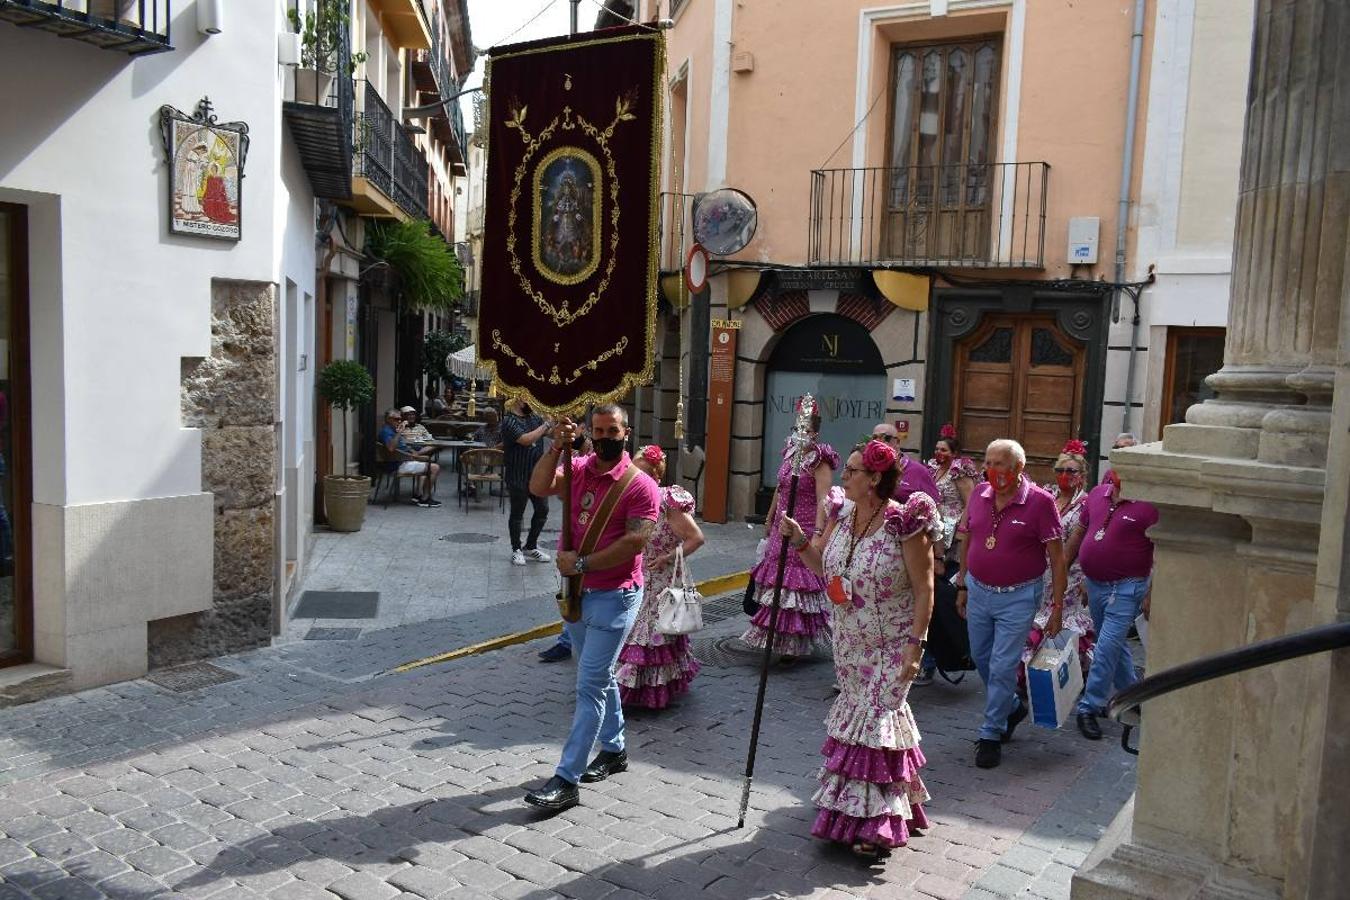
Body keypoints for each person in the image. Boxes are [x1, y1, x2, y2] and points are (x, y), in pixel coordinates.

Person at [779, 440, 938, 859]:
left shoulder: (904, 524)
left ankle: (876, 824)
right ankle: (887, 807)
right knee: (867, 725)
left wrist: (916, 646)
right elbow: (823, 568)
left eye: (852, 471)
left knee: (876, 725)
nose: (843, 477)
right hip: (849, 643)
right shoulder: (843, 515)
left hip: (891, 645)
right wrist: (798, 540)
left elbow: (925, 590)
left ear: (874, 480)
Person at [522, 405, 660, 812]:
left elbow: (636, 542)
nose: (604, 437)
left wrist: (582, 563)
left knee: (589, 685)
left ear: (626, 432)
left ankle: (566, 778)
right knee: (599, 676)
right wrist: (554, 446)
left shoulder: (641, 486)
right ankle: (615, 749)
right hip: (579, 595)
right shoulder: (578, 466)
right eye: (597, 430)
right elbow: (538, 486)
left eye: (611, 430)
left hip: (616, 596)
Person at [954, 439, 1065, 769]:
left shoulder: (1042, 503)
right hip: (978, 590)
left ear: (1018, 467)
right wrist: (962, 585)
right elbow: (968, 538)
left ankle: (991, 733)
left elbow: (1057, 560)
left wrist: (1056, 608)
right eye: (988, 462)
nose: (992, 470)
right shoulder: (978, 494)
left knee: (1002, 665)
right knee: (981, 657)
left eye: (1000, 463)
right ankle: (1012, 705)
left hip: (1018, 596)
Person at [1069, 467, 1158, 740]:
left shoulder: (1149, 507)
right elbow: (1081, 534)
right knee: (1114, 643)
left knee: (1106, 645)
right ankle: (1133, 694)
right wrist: (1073, 573)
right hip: (1096, 583)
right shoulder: (1097, 495)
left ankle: (1090, 705)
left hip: (1128, 586)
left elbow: (1162, 552)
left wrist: (1152, 591)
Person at [742, 412, 837, 661]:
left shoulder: (819, 460)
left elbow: (822, 500)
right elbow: (780, 489)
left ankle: (793, 640)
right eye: (797, 426)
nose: (799, 431)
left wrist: (817, 534)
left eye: (804, 428)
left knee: (795, 584)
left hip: (802, 527)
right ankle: (776, 635)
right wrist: (770, 517)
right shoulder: (790, 452)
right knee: (777, 580)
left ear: (815, 433)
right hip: (780, 526)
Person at [616, 446, 706, 709]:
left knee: (647, 632)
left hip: (662, 579)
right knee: (639, 630)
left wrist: (668, 557)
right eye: (631, 469)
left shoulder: (668, 501)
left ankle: (638, 689)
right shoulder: (631, 498)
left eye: (641, 471)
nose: (633, 475)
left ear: (656, 474)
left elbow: (696, 538)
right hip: (637, 575)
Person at [1019, 440, 1096, 693]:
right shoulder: (1047, 497)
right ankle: (1031, 674)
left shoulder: (1087, 505)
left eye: (1071, 471)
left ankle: (1066, 674)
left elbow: (1084, 542)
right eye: (1060, 470)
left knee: (1061, 620)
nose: (1064, 476)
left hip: (1071, 574)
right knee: (1035, 616)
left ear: (1082, 475)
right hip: (1040, 570)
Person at [915, 423, 978, 684]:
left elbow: (971, 501)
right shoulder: (933, 470)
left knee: (944, 598)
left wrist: (963, 531)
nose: (939, 452)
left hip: (953, 541)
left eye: (944, 449)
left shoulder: (959, 472)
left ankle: (949, 652)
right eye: (937, 448)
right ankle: (927, 658)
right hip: (934, 535)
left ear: (954, 452)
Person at [539, 432, 595, 663]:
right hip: (571, 551)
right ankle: (567, 641)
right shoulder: (578, 466)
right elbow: (544, 486)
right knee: (571, 597)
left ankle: (569, 642)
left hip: (592, 555)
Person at [501, 398, 552, 568]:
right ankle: (516, 549)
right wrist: (546, 425)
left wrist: (559, 424)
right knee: (517, 514)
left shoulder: (534, 417)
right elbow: (526, 439)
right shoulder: (509, 420)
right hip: (517, 474)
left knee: (542, 509)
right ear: (518, 399)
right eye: (528, 398)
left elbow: (547, 432)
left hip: (536, 475)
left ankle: (531, 545)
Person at [378, 409, 441, 507]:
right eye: (397, 419)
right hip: (398, 464)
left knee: (427, 460)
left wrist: (412, 453)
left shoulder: (391, 430)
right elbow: (391, 448)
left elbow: (402, 447)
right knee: (434, 468)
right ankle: (424, 499)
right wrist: (400, 433)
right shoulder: (386, 431)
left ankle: (418, 494)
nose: (399, 421)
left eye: (400, 419)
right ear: (388, 419)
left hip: (403, 459)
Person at [871, 423, 939, 504]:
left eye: (886, 438)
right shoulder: (868, 468)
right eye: (875, 438)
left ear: (898, 442)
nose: (879, 442)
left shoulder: (919, 471)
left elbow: (935, 506)